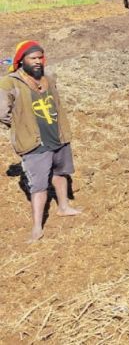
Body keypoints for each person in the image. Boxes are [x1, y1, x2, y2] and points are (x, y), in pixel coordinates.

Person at [0, 41, 81, 242]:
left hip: (57, 135)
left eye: (40, 58)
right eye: (32, 58)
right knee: (38, 185)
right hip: (34, 142)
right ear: (21, 60)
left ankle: (63, 207)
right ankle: (37, 227)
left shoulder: (48, 78)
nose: (37, 61)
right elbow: (2, 112)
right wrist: (20, 126)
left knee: (60, 173)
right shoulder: (10, 83)